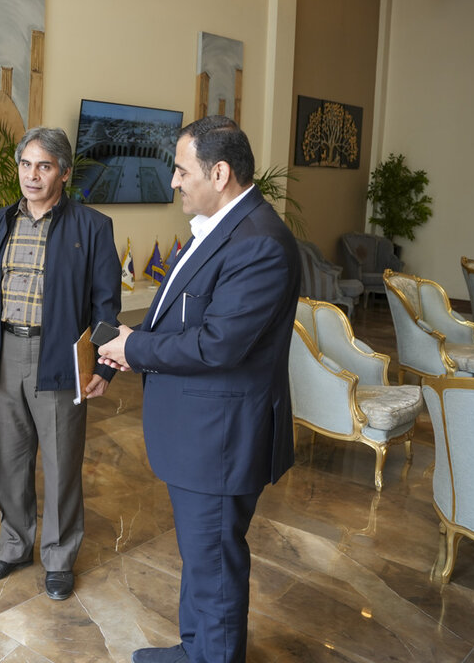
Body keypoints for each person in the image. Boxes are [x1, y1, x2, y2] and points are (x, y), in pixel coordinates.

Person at [96, 116, 301, 663]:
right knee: (202, 554)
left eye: (182, 171)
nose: (174, 182)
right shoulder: (219, 226)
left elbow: (218, 346)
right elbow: (182, 316)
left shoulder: (259, 243)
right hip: (201, 435)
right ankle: (195, 651)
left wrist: (137, 349)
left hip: (220, 440)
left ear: (219, 173)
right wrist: (132, 343)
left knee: (214, 565)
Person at [0, 127, 121, 601]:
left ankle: (59, 556)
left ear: (64, 173)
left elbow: (106, 306)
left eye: (44, 166)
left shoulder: (92, 227)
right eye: (26, 164)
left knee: (61, 461)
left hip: (59, 356)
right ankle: (14, 546)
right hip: (6, 351)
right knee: (10, 459)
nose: (32, 175)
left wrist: (104, 367)